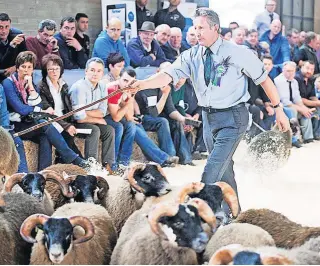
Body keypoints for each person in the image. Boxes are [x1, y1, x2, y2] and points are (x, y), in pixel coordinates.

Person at [130, 8, 289, 215]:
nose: (197, 32)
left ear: (215, 28)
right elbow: (167, 75)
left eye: (201, 28)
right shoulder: (192, 55)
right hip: (208, 117)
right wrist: (140, 84)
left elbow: (264, 80)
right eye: (195, 28)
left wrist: (279, 110)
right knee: (225, 169)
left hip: (234, 117)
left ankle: (200, 217)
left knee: (211, 171)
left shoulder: (238, 53)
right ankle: (233, 214)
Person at [3, 51, 89, 170]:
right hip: (16, 125)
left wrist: (31, 88)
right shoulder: (8, 83)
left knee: (45, 136)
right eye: (23, 67)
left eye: (29, 67)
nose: (26, 70)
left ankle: (44, 172)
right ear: (17, 68)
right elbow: (21, 109)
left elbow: (37, 104)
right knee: (44, 123)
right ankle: (72, 158)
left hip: (28, 122)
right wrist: (38, 110)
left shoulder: (29, 82)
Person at [107, 68, 180, 167]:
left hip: (118, 117)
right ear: (119, 78)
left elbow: (129, 116)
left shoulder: (127, 89)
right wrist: (129, 102)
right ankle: (163, 159)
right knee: (131, 127)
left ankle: (163, 158)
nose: (127, 84)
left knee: (137, 125)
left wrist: (130, 98)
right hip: (105, 117)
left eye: (131, 82)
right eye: (125, 80)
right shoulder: (113, 88)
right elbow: (116, 117)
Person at [135, 63, 194, 166]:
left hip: (154, 117)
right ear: (158, 72)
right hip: (143, 118)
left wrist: (183, 119)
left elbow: (171, 109)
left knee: (176, 122)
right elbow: (153, 113)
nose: (168, 78)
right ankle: (169, 156)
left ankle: (185, 159)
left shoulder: (166, 86)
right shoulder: (146, 87)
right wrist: (165, 94)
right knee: (163, 121)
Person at [68, 58, 117, 174]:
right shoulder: (79, 87)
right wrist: (97, 118)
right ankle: (91, 166)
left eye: (99, 71)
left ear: (102, 73)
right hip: (73, 124)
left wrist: (87, 112)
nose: (95, 73)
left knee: (109, 130)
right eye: (92, 70)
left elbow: (102, 112)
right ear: (86, 71)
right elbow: (78, 117)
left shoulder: (103, 86)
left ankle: (107, 166)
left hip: (89, 121)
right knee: (93, 130)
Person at [38, 54, 83, 163]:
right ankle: (80, 163)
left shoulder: (64, 85)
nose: (54, 72)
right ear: (46, 71)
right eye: (50, 69)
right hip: (52, 122)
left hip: (64, 122)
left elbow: (68, 109)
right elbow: (48, 112)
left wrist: (71, 124)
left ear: (61, 69)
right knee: (68, 143)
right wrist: (66, 126)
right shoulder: (41, 87)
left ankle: (75, 163)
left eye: (57, 68)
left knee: (71, 142)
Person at [274, 61, 311, 147]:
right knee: (292, 111)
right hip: (281, 105)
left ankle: (308, 137)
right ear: (283, 70)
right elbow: (285, 101)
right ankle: (294, 139)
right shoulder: (278, 81)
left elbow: (297, 98)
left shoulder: (294, 82)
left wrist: (304, 108)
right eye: (288, 71)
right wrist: (301, 109)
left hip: (291, 104)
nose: (290, 73)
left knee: (307, 112)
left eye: (292, 71)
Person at [0, 13, 27, 81]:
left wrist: (16, 67)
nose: (4, 31)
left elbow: (26, 58)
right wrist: (12, 46)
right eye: (0, 27)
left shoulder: (17, 35)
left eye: (7, 27)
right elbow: (1, 64)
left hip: (16, 74)